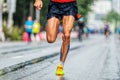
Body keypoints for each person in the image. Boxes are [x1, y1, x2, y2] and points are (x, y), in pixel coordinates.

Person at [34, 0, 78, 76]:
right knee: (50, 39)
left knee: (66, 35)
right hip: (54, 5)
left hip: (70, 5)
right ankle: (57, 24)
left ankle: (61, 65)